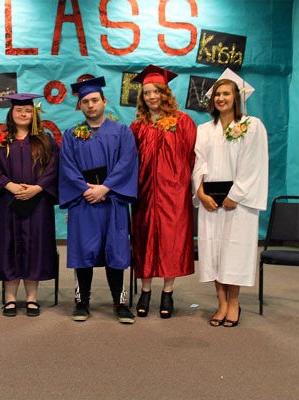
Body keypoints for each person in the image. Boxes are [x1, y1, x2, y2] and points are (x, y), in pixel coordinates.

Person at [59, 77, 139, 324]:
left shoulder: (122, 132)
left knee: (117, 255)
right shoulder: (72, 135)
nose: (91, 105)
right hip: (84, 204)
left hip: (112, 202)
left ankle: (122, 302)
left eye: (95, 100)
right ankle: (81, 302)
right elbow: (67, 167)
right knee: (83, 255)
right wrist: (86, 190)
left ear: (104, 101)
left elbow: (127, 163)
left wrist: (104, 188)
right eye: (85, 101)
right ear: (80, 106)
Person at [192, 69, 268, 327]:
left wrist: (235, 195)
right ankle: (221, 302)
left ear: (237, 97)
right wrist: (200, 193)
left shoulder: (251, 125)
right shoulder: (204, 129)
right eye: (217, 94)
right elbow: (199, 163)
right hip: (211, 202)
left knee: (233, 250)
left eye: (226, 94)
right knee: (214, 250)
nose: (221, 98)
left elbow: (253, 164)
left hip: (238, 203)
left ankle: (234, 302)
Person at [0, 93, 58, 317]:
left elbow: (54, 168)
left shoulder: (45, 140)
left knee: (35, 248)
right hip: (7, 203)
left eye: (27, 110)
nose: (23, 114)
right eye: (19, 110)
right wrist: (9, 185)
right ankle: (10, 299)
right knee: (9, 247)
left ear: (34, 114)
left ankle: (32, 299)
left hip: (38, 204)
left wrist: (38, 187)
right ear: (11, 113)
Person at [130, 65, 197, 319]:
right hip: (145, 193)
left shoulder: (183, 122)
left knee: (171, 240)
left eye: (156, 91)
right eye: (147, 93)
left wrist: (181, 185)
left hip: (173, 194)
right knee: (145, 238)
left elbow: (192, 156)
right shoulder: (137, 126)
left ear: (165, 93)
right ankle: (145, 291)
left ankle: (167, 292)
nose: (151, 97)